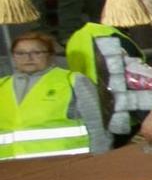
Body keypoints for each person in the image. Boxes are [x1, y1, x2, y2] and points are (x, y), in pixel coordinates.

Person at [2, 29, 108, 158]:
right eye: (20, 53)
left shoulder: (72, 80)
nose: (28, 58)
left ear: (51, 56)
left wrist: (100, 159)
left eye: (36, 52)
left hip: (65, 164)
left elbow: (97, 125)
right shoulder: (2, 85)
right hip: (10, 167)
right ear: (13, 57)